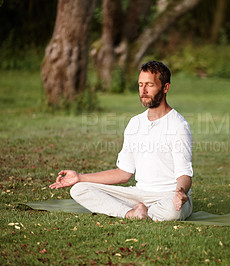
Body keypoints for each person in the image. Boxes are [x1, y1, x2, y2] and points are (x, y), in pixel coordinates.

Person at [49, 61, 193, 221]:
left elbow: (184, 174)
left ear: (165, 87)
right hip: (139, 194)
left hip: (168, 195)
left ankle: (143, 211)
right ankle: (132, 213)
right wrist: (80, 177)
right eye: (140, 85)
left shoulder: (179, 126)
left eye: (149, 85)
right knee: (79, 189)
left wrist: (180, 192)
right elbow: (123, 173)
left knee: (172, 211)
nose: (143, 91)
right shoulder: (135, 123)